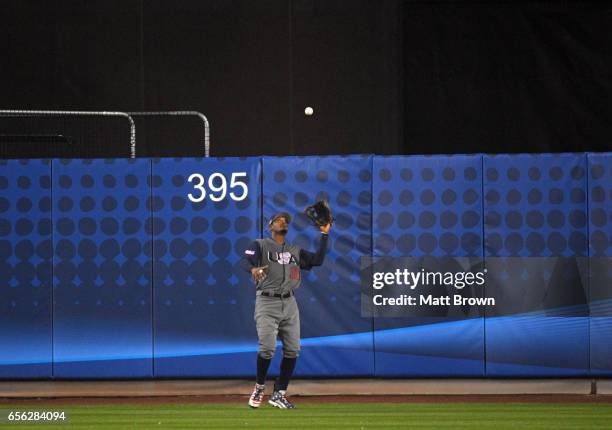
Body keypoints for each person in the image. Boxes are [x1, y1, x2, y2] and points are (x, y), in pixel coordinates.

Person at [240, 211, 331, 409]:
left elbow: (317, 260)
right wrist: (253, 269)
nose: (283, 222)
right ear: (270, 226)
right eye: (279, 220)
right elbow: (244, 261)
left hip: (289, 303)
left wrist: (324, 235)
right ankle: (259, 387)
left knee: (293, 350)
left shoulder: (294, 251)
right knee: (267, 348)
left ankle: (279, 393)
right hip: (267, 301)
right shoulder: (260, 245)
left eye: (286, 221)